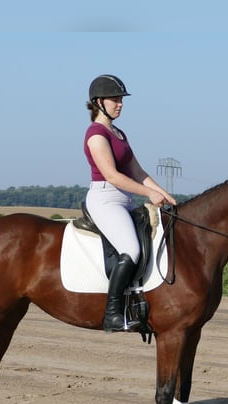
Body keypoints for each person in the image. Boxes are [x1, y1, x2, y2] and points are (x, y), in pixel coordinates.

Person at [84, 74, 176, 333]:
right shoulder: (96, 135)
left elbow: (137, 171)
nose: (120, 104)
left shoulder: (118, 133)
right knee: (131, 249)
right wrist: (148, 194)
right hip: (105, 198)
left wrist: (163, 193)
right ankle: (112, 314)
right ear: (99, 102)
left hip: (123, 199)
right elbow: (112, 176)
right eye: (115, 99)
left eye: (121, 100)